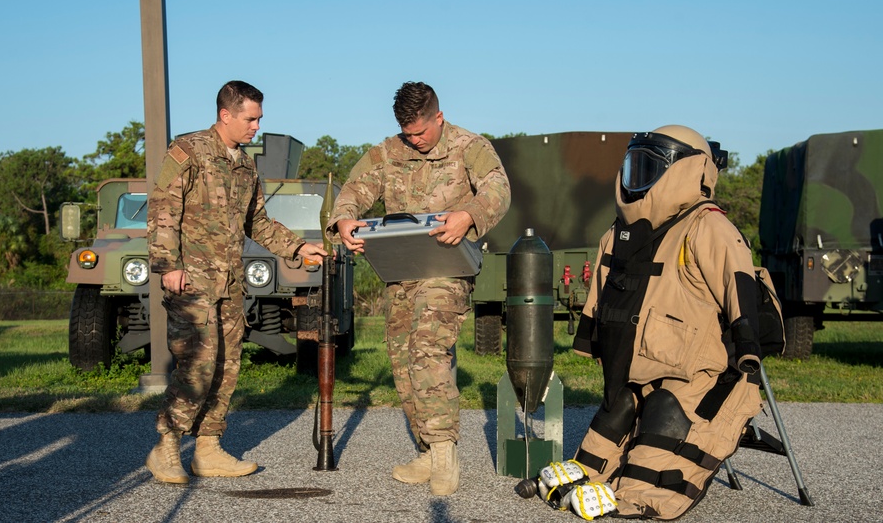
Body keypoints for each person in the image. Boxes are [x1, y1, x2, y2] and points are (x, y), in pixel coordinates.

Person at [540, 125, 765, 519]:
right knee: (619, 405)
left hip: (695, 372)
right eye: (635, 165)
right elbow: (602, 291)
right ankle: (589, 471)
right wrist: (589, 339)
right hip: (635, 366)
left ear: (686, 172)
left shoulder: (707, 226)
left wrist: (747, 346)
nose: (638, 177)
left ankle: (638, 494)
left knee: (665, 411)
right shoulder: (619, 232)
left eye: (650, 167)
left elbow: (739, 285)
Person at [328, 81, 511, 495]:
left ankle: (445, 452)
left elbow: (499, 190)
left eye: (421, 132)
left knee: (428, 348)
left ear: (439, 116)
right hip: (401, 271)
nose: (415, 141)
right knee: (402, 360)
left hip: (447, 269)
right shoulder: (388, 152)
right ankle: (427, 450)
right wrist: (344, 219)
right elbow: (355, 190)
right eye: (408, 133)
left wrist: (469, 214)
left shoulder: (470, 146)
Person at [145, 80, 327, 484]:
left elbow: (256, 223)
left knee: (228, 364)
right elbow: (163, 208)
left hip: (230, 283)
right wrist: (167, 264)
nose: (256, 127)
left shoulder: (245, 164)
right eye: (251, 119)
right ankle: (167, 447)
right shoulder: (188, 151)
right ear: (225, 114)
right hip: (190, 280)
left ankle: (208, 449)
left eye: (259, 119)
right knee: (198, 362)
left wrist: (300, 248)